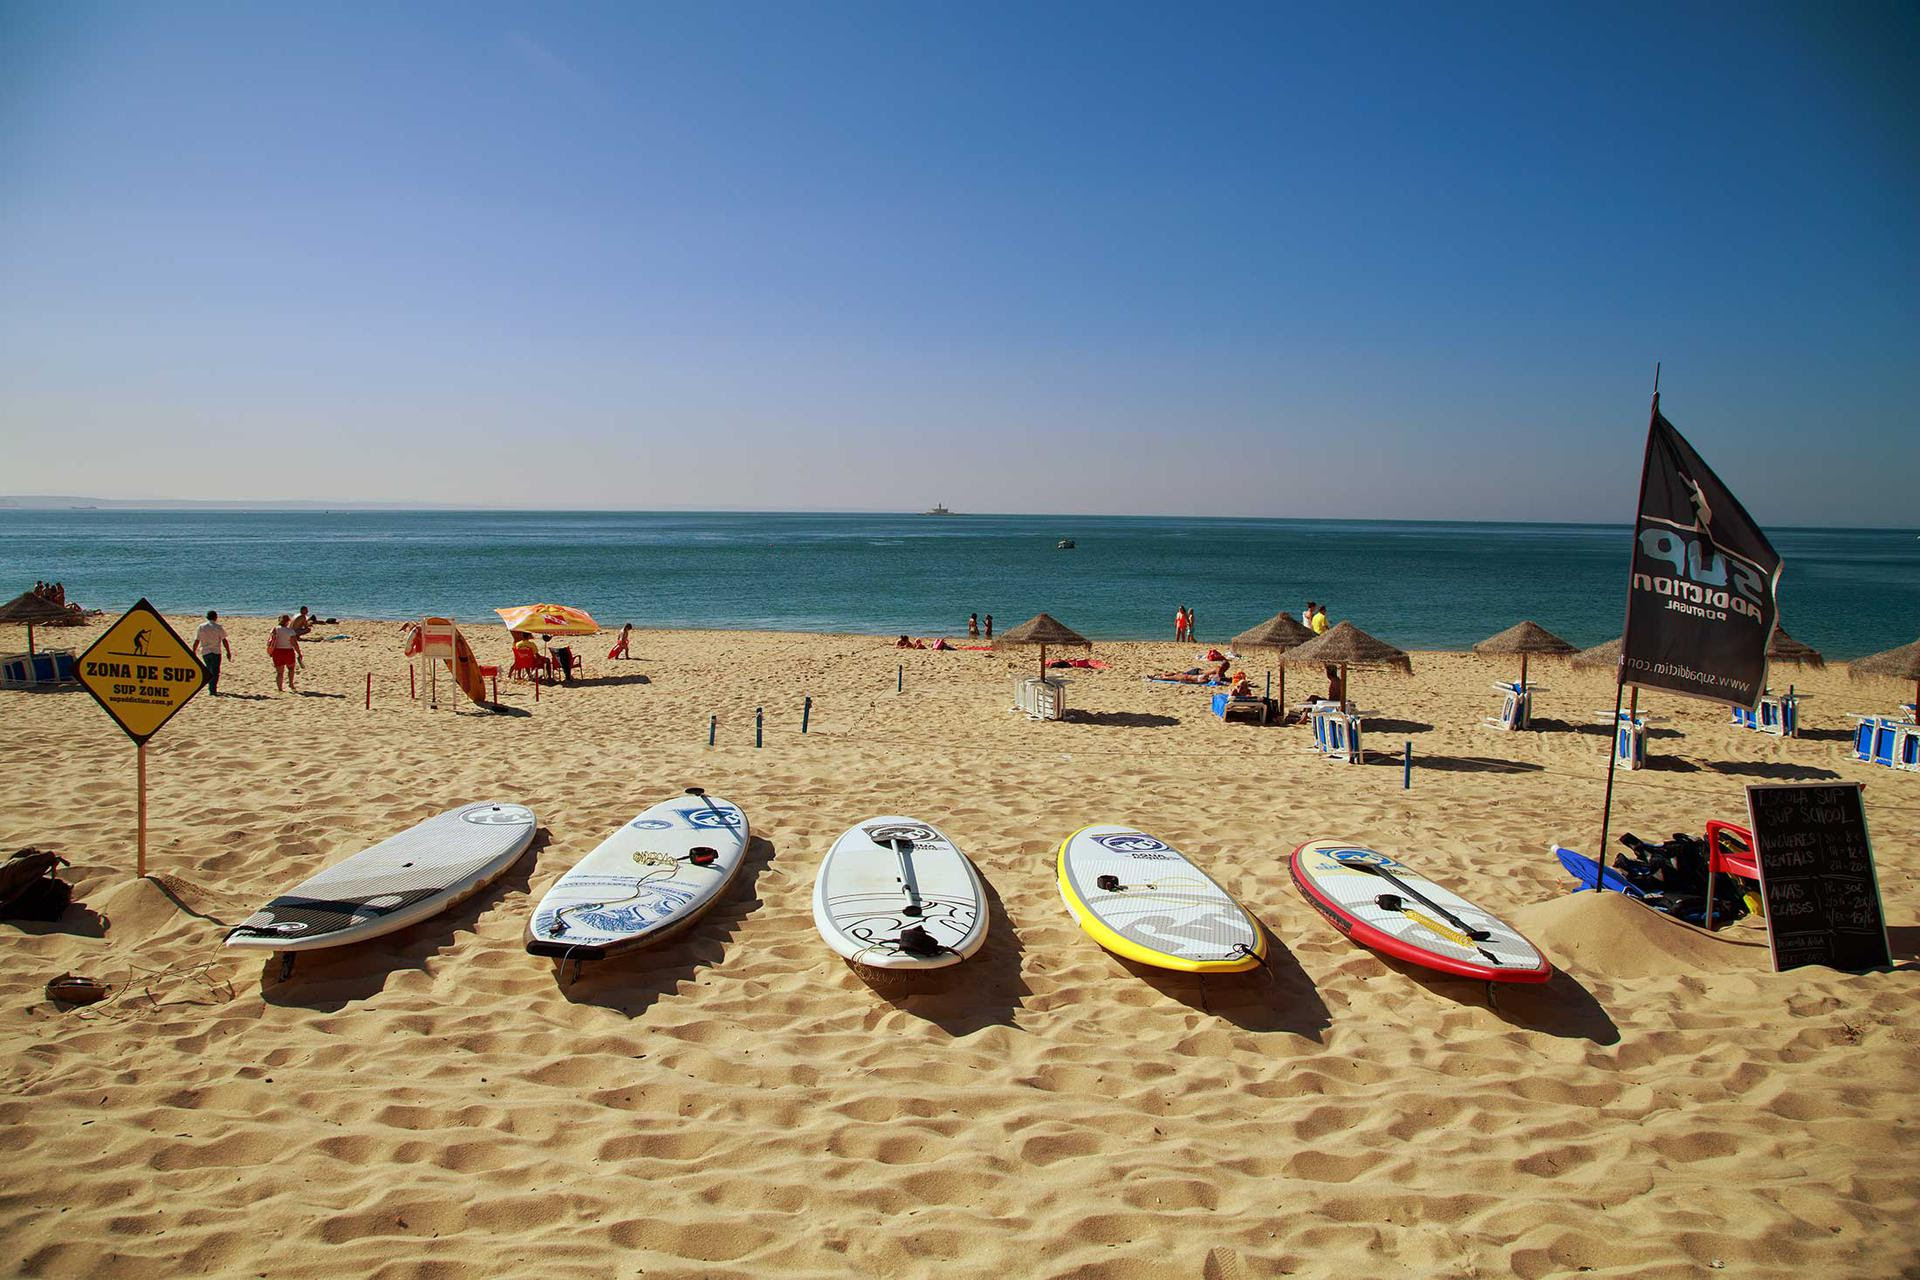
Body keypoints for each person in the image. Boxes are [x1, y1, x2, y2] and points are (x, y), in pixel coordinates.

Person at [193, 610, 232, 695]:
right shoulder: (218, 627)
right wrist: (228, 651)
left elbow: (197, 640)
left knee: (209, 669)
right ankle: (212, 689)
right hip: (216, 652)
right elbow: (224, 640)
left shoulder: (201, 627)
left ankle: (211, 688)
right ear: (215, 617)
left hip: (205, 652)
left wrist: (194, 651)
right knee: (215, 671)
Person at [267, 614, 302, 691]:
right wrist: (299, 653)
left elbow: (271, 641)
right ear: (287, 621)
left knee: (279, 672)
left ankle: (280, 688)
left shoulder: (275, 629)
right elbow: (294, 643)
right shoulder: (290, 631)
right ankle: (291, 684)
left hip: (277, 652)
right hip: (288, 651)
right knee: (291, 669)